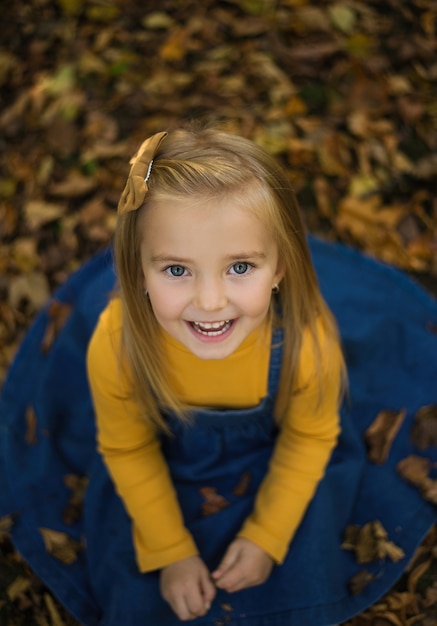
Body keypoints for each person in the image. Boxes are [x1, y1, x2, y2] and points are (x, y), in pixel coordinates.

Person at [86, 125, 346, 622]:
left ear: (280, 268)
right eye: (177, 270)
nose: (209, 302)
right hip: (160, 480)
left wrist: (267, 536)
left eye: (240, 267)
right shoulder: (119, 344)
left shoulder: (304, 346)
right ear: (138, 269)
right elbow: (126, 445)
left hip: (276, 475)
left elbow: (310, 438)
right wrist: (171, 550)